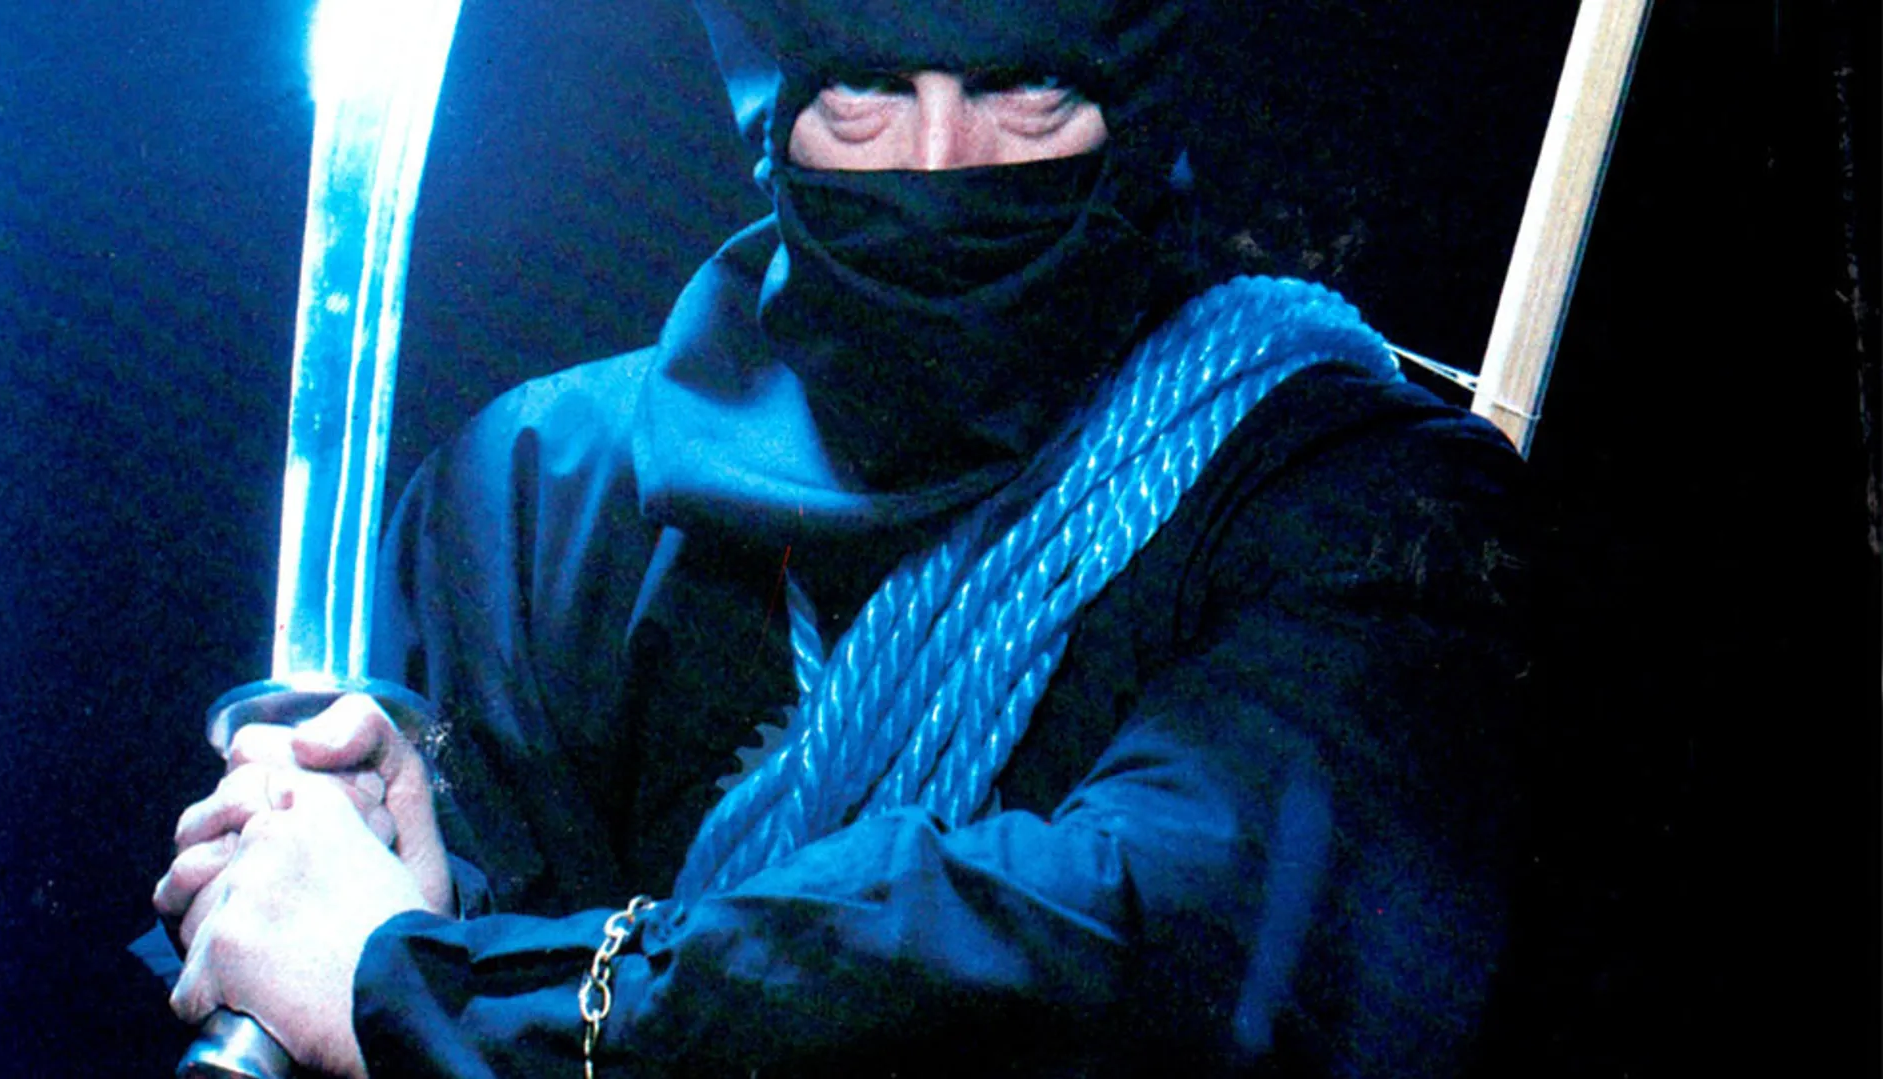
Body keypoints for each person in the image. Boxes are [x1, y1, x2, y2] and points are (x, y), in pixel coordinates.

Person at [154, 1, 1534, 1076]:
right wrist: (415, 878)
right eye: (866, 91)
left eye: (1024, 88)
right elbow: (381, 944)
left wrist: (424, 994)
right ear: (775, 105)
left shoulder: (1360, 505)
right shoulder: (535, 492)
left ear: (1135, 96)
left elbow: (1157, 955)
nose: (939, 165)